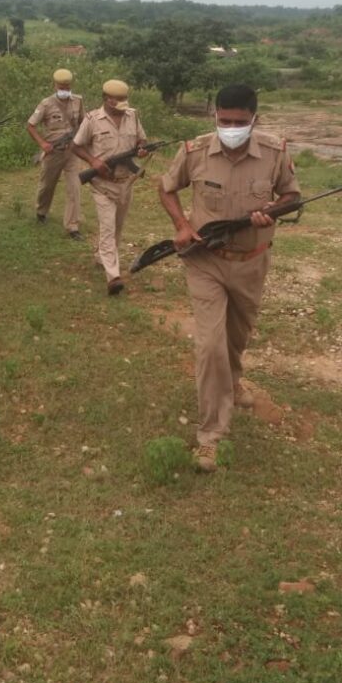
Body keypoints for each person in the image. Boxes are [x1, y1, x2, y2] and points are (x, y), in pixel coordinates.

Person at [158, 83, 300, 472]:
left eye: (240, 121)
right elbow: (167, 188)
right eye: (225, 120)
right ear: (214, 115)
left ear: (255, 119)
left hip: (252, 262)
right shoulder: (195, 150)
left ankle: (232, 385)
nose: (231, 127)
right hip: (205, 260)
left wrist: (273, 210)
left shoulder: (275, 152)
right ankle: (210, 436)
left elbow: (292, 196)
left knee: (236, 339)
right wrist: (182, 224)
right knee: (210, 346)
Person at [72, 79, 148, 296]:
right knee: (107, 228)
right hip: (102, 184)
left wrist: (141, 150)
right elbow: (75, 146)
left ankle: (101, 257)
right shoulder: (92, 120)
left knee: (117, 226)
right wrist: (93, 161)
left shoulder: (132, 115)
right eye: (117, 102)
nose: (122, 107)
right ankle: (113, 276)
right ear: (107, 99)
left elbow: (141, 140)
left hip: (125, 183)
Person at [26, 69, 86, 239]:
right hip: (53, 152)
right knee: (47, 186)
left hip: (72, 151)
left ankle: (72, 226)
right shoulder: (46, 104)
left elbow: (84, 122)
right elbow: (30, 126)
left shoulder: (78, 101)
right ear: (55, 85)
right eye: (61, 87)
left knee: (74, 187)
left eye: (67, 87)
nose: (64, 89)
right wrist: (43, 144)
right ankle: (41, 211)